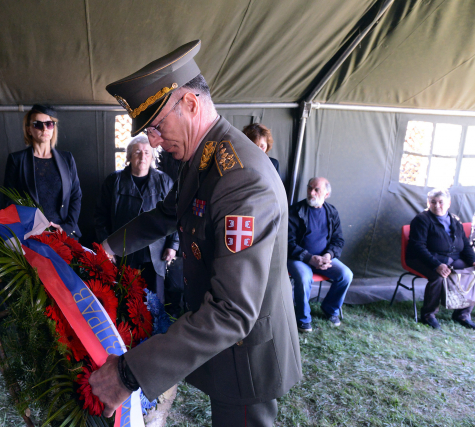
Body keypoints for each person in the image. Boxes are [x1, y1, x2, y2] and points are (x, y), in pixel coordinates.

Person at [89, 40, 301, 427]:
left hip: (245, 353)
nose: (153, 141)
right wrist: (105, 248)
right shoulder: (201, 158)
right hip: (224, 345)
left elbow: (232, 311)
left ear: (189, 104)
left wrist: (127, 374)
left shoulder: (240, 179)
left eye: (156, 125)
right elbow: (166, 215)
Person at [94, 134, 178, 304]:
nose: (142, 156)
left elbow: (176, 216)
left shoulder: (164, 181)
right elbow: (100, 217)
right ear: (129, 157)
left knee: (155, 303)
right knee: (125, 301)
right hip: (123, 252)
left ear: (152, 156)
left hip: (155, 255)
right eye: (137, 152)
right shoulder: (114, 181)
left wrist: (173, 246)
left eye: (147, 152)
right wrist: (107, 248)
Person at [3, 104, 82, 239]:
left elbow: (76, 195)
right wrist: (29, 229)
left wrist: (66, 227)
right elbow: (9, 200)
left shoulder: (67, 158)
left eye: (49, 124)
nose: (44, 128)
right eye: (37, 124)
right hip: (31, 234)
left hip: (63, 233)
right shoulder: (16, 160)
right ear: (28, 129)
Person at [287, 177, 352, 332]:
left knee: (346, 275)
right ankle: (303, 319)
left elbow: (338, 240)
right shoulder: (295, 211)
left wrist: (328, 256)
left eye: (316, 189)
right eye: (309, 188)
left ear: (326, 194)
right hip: (299, 258)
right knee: (303, 278)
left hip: (324, 258)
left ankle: (330, 309)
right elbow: (287, 242)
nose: (311, 192)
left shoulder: (332, 212)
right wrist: (310, 258)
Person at [406, 188, 475, 330]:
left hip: (452, 258)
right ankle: (428, 315)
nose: (437, 205)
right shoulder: (421, 220)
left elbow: (465, 245)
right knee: (438, 277)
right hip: (422, 258)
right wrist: (436, 264)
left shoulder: (455, 220)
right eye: (433, 202)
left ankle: (462, 314)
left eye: (441, 202)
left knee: (473, 273)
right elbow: (418, 247)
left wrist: (473, 260)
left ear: (448, 203)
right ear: (428, 203)